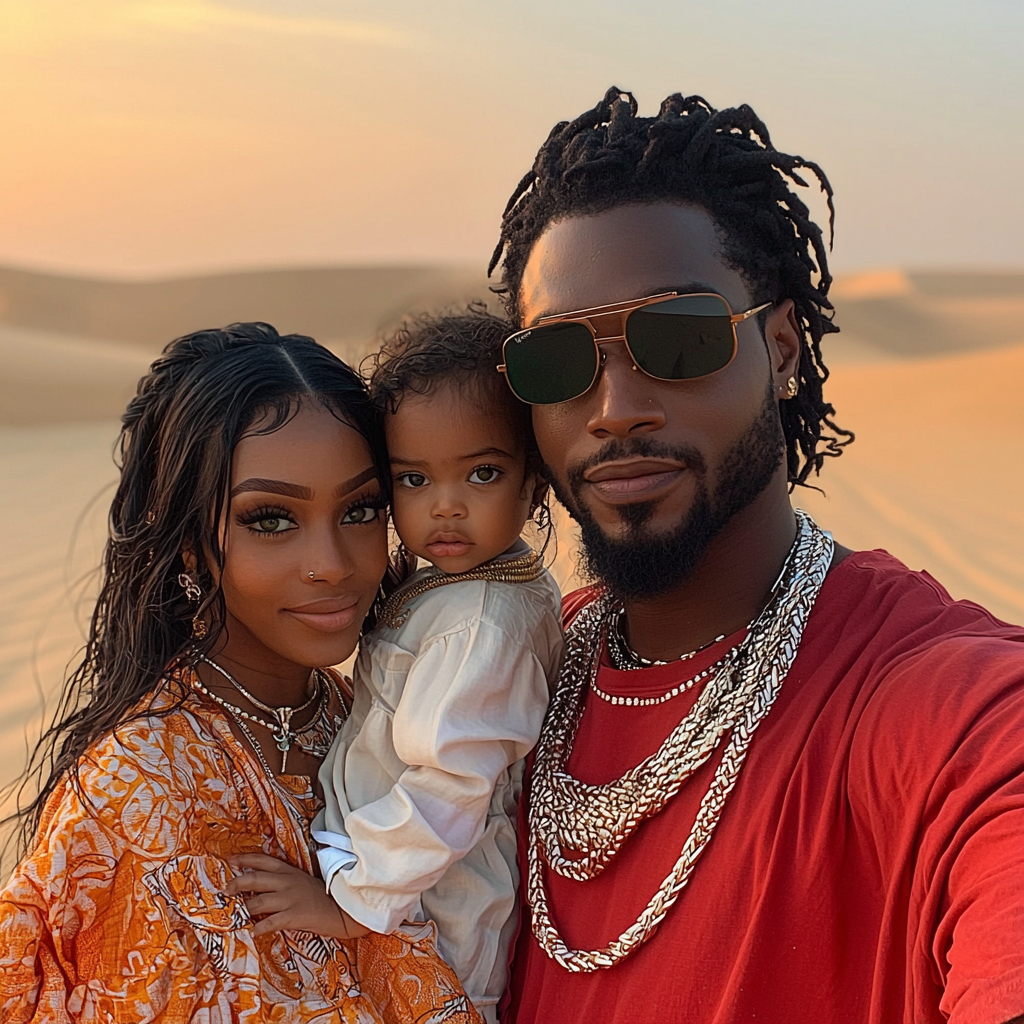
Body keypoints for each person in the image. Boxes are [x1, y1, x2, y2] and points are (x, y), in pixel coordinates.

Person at [488, 88, 1024, 1024]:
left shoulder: (937, 708)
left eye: (680, 339)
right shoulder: (506, 685)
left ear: (780, 350)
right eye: (557, 362)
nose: (614, 406)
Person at [0, 323, 477, 1023]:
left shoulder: (395, 726)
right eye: (272, 519)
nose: (333, 563)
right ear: (191, 543)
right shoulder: (136, 790)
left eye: (361, 509)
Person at [226, 310, 563, 1024]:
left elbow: (448, 786)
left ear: (535, 481)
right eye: (412, 479)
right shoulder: (463, 582)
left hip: (436, 914)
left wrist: (348, 907)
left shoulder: (484, 627)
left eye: (482, 473)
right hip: (395, 887)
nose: (445, 506)